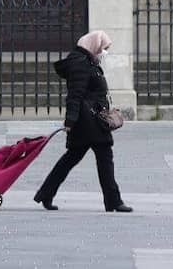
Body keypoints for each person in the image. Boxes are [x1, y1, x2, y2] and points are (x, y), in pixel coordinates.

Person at [34, 30, 132, 212]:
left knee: (71, 159)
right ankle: (114, 201)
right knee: (103, 159)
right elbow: (75, 95)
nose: (104, 52)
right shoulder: (80, 63)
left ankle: (46, 193)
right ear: (93, 45)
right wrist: (69, 121)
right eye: (103, 48)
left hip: (90, 121)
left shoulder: (87, 61)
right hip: (89, 122)